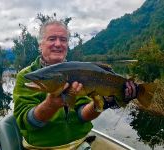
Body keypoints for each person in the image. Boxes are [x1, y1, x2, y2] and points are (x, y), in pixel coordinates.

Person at [13, 20, 137, 149]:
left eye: (63, 39)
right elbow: (26, 123)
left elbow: (83, 115)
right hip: (42, 147)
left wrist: (104, 103)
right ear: (40, 44)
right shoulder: (27, 76)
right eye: (52, 39)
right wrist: (51, 104)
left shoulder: (79, 72)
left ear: (67, 45)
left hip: (83, 142)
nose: (58, 44)